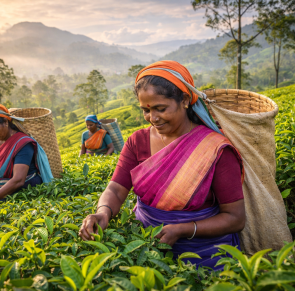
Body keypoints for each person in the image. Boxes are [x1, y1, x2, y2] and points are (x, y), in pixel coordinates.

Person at [78, 61, 245, 270]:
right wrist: (103, 212)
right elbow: (116, 189)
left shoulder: (214, 149)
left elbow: (235, 218)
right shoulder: (137, 141)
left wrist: (182, 230)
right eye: (146, 111)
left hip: (205, 255)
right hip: (146, 250)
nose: (153, 118)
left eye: (161, 108)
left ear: (184, 100)